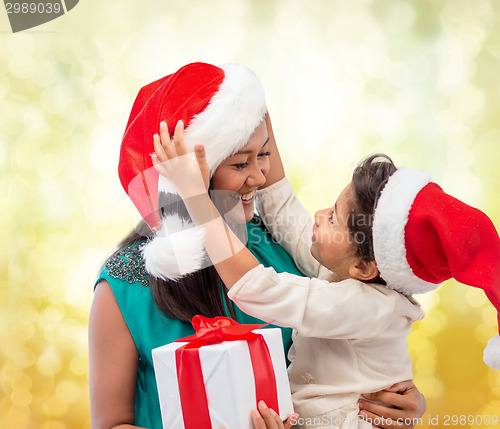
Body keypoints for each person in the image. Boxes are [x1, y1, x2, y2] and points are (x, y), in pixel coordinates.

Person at [89, 62, 427, 429]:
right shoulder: (125, 283)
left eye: (263, 154)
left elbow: (351, 361)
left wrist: (398, 399)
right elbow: (110, 424)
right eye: (240, 163)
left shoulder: (283, 248)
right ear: (191, 178)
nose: (260, 175)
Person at [152, 118, 500, 428]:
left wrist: (197, 199)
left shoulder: (368, 307)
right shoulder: (348, 273)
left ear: (364, 267)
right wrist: (254, 106)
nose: (318, 214)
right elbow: (283, 207)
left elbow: (260, 288)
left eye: (333, 217)